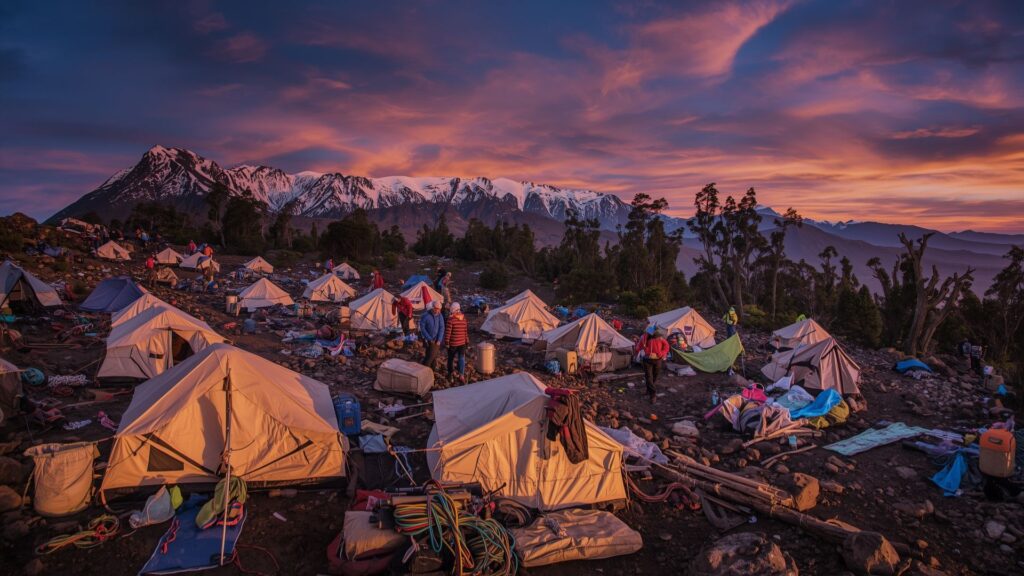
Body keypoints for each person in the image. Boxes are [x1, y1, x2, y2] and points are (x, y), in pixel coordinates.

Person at [444, 302, 469, 381]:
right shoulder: (464, 319)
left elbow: (448, 333)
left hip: (453, 344)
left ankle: (450, 374)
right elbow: (465, 331)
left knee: (451, 359)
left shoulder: (451, 320)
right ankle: (461, 375)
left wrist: (446, 342)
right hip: (462, 343)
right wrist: (467, 341)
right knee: (461, 358)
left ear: (453, 309)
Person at [643, 328, 669, 403]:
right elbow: (642, 346)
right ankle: (653, 394)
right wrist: (646, 351)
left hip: (657, 360)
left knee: (655, 376)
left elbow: (667, 346)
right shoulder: (646, 338)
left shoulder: (660, 338)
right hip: (647, 360)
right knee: (649, 377)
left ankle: (649, 390)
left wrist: (661, 353)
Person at [420, 301, 445, 368]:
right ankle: (428, 369)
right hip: (428, 339)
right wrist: (429, 338)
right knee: (430, 355)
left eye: (439, 309)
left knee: (431, 356)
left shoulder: (440, 316)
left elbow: (442, 327)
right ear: (433, 307)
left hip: (436, 340)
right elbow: (422, 328)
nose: (438, 311)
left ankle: (427, 368)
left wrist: (439, 339)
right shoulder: (426, 315)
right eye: (437, 309)